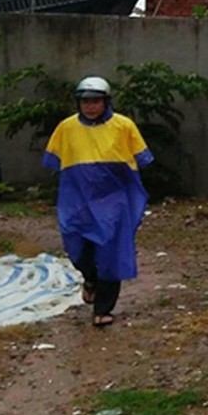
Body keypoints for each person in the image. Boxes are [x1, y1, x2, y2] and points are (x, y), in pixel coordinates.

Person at [43, 76, 153, 327]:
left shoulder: (124, 126)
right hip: (77, 199)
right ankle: (89, 278)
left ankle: (103, 309)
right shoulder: (66, 128)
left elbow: (141, 159)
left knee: (110, 252)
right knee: (76, 245)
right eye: (85, 101)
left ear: (106, 101)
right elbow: (54, 162)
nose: (90, 106)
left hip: (113, 199)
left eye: (95, 101)